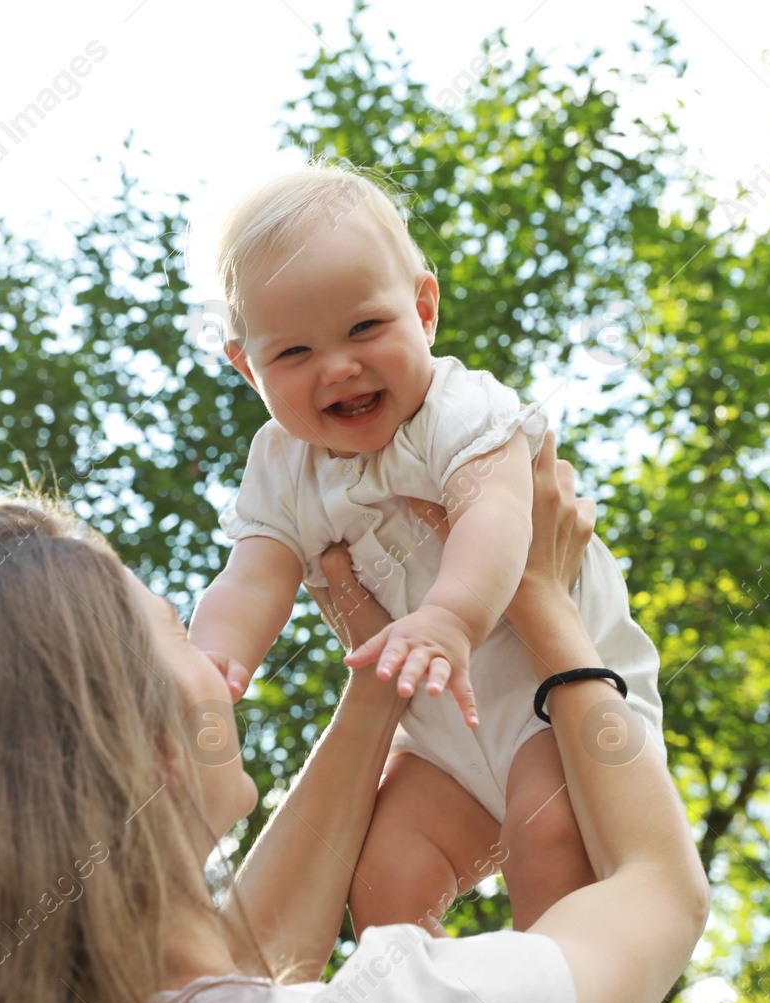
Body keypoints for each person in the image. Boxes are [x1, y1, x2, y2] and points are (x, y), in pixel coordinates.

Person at [0, 428, 708, 1003]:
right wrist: (538, 597)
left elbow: (234, 961)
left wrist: (387, 680)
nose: (219, 661)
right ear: (136, 747)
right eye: (176, 632)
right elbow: (658, 892)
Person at [187, 160, 664, 933]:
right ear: (247, 366)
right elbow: (252, 577)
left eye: (364, 328)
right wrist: (211, 658)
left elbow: (496, 514)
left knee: (553, 838)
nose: (338, 366)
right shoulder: (280, 464)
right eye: (293, 354)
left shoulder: (458, 407)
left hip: (559, 702)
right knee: (382, 880)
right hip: (443, 737)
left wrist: (448, 616)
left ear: (423, 308)